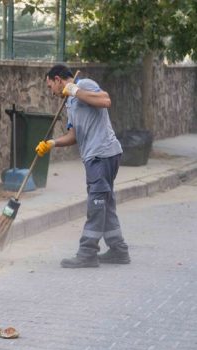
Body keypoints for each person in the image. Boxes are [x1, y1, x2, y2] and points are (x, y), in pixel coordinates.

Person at [36, 64, 130, 269]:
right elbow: (74, 136)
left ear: (59, 79)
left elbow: (105, 100)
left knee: (96, 203)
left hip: (101, 154)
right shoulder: (70, 103)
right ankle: (118, 250)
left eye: (50, 85)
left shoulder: (84, 84)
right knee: (105, 202)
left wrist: (76, 91)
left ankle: (87, 252)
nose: (51, 92)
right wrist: (52, 143)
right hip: (98, 156)